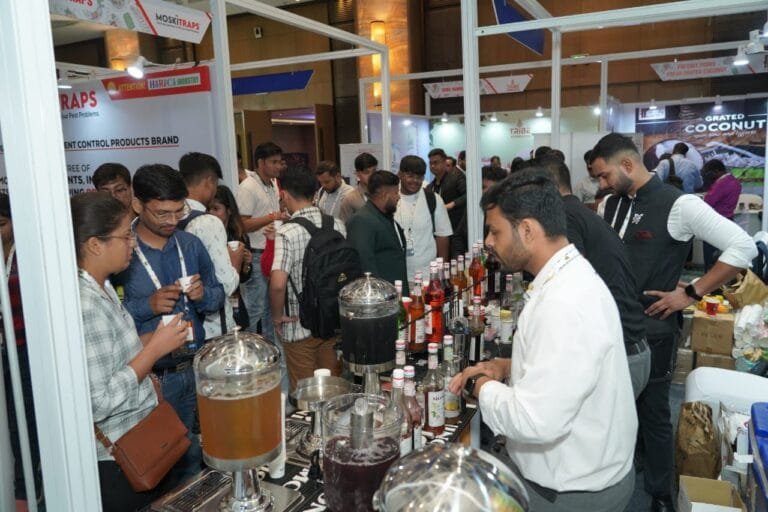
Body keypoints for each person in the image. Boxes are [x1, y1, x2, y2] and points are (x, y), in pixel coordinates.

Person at [448, 169, 637, 512]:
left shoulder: (563, 303)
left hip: (570, 494)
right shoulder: (567, 277)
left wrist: (478, 385)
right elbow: (572, 368)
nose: (488, 241)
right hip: (581, 474)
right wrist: (507, 367)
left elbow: (535, 421)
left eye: (494, 231)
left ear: (527, 230)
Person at [590, 133, 756, 512]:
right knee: (615, 405)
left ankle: (660, 493)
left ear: (627, 164)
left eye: (604, 175)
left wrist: (693, 292)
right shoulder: (609, 205)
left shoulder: (679, 205)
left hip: (655, 330)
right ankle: (625, 470)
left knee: (654, 412)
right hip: (611, 327)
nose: (602, 183)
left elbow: (743, 247)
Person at [72, 192, 188, 511]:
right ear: (95, 245)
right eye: (125, 236)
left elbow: (116, 354)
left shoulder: (104, 286)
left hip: (142, 435)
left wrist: (155, 338)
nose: (133, 244)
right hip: (119, 457)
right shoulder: (85, 304)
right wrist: (153, 352)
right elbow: (99, 402)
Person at [118, 164, 225, 482]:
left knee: (195, 458)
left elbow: (217, 297)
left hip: (193, 368)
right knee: (155, 467)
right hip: (150, 378)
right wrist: (147, 305)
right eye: (162, 213)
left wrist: (203, 296)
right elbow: (109, 315)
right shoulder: (122, 250)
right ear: (138, 205)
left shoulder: (190, 245)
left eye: (179, 211)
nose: (172, 220)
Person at [536, 156, 650, 398]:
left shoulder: (565, 218)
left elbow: (571, 285)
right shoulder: (576, 212)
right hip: (628, 344)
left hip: (620, 352)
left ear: (547, 188)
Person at [269, 167, 345, 389]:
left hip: (298, 324)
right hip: (332, 320)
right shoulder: (337, 224)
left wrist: (277, 317)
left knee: (305, 393)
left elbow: (277, 284)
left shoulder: (287, 232)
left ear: (284, 195)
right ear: (314, 193)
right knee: (332, 389)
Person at [0, 194, 43, 510]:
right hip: (5, 350)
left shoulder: (28, 255)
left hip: (27, 349)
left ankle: (28, 486)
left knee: (24, 419)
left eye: (1, 223)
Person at [178, 152, 243, 339]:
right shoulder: (208, 222)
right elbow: (225, 285)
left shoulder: (169, 218)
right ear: (209, 181)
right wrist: (236, 263)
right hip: (212, 328)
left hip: (180, 326)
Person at [235, 142, 288, 340]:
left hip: (272, 251)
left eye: (280, 162)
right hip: (256, 255)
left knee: (270, 310)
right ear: (260, 162)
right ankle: (249, 349)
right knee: (255, 309)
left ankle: (270, 351)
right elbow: (242, 224)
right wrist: (272, 217)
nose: (278, 166)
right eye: (274, 162)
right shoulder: (248, 187)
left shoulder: (272, 183)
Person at [347, 171, 408, 293]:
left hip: (395, 293)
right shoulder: (362, 220)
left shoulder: (386, 217)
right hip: (380, 297)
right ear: (385, 195)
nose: (398, 197)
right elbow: (365, 265)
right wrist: (378, 297)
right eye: (396, 192)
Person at [394, 155, 452, 279]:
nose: (415, 181)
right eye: (410, 176)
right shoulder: (391, 198)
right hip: (397, 275)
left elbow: (443, 236)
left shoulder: (433, 199)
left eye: (419, 177)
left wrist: (441, 272)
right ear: (400, 174)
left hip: (427, 275)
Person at [209, 185, 254, 328]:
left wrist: (246, 264)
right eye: (208, 209)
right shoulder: (205, 235)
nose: (211, 213)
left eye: (216, 209)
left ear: (229, 210)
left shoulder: (238, 236)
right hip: (212, 300)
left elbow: (244, 278)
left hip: (234, 299)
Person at [451, 165, 507, 257]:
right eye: (482, 187)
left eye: (491, 189)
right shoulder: (474, 207)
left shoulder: (508, 213)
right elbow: (458, 237)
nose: (485, 192)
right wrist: (460, 259)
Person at [703, 159, 742, 271]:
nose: (708, 176)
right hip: (728, 219)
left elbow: (709, 201)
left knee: (710, 252)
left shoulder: (721, 184)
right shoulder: (735, 181)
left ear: (716, 171)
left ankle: (709, 275)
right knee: (723, 252)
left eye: (709, 173)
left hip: (715, 221)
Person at [426, 148, 467, 240]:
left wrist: (452, 204)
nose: (432, 166)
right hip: (437, 231)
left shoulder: (457, 178)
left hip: (456, 230)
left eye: (436, 163)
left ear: (445, 163)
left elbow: (468, 196)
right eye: (430, 163)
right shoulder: (430, 187)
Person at [339, 152, 377, 224]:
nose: (372, 175)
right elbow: (344, 226)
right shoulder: (350, 199)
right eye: (366, 172)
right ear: (357, 173)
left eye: (374, 171)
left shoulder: (383, 193)